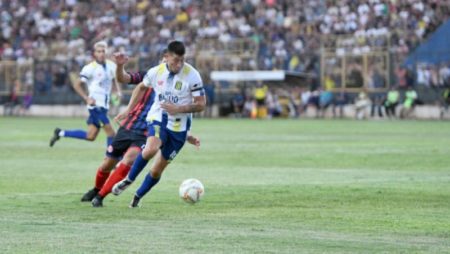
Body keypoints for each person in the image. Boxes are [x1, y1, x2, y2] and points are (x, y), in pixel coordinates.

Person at [82, 51, 200, 207]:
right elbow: (124, 78)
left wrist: (187, 135)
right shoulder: (150, 75)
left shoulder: (181, 87)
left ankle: (101, 196)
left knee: (130, 158)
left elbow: (177, 120)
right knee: (107, 164)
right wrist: (120, 65)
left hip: (148, 131)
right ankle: (97, 189)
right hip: (129, 126)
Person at [112, 41, 206, 208]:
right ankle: (128, 179)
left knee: (156, 170)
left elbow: (201, 104)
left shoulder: (192, 75)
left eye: (182, 60)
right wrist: (128, 110)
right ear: (166, 57)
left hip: (179, 129)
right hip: (159, 117)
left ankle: (137, 197)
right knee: (150, 149)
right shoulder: (156, 72)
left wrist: (179, 111)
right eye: (175, 60)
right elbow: (138, 86)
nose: (179, 64)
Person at [49, 41, 121, 147]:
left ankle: (60, 132)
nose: (101, 53)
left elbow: (115, 80)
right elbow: (76, 85)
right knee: (111, 133)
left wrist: (118, 91)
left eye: (103, 51)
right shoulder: (90, 68)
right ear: (94, 53)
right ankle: (111, 161)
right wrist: (86, 98)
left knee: (90, 136)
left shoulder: (112, 66)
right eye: (98, 51)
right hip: (96, 106)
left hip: (104, 106)